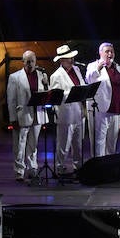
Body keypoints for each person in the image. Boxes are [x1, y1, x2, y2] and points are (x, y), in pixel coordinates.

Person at [6, 50, 48, 181]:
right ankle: (19, 171)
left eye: (32, 61)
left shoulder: (41, 75)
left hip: (38, 113)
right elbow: (11, 100)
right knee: (20, 144)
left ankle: (32, 168)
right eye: (28, 61)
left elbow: (46, 94)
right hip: (22, 115)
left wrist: (47, 83)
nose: (30, 64)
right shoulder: (15, 77)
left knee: (33, 143)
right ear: (23, 62)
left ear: (36, 62)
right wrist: (13, 118)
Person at [85, 42, 120, 157]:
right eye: (107, 51)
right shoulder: (93, 65)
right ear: (100, 53)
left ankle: (110, 166)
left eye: (112, 51)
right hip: (101, 109)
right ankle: (99, 167)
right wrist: (98, 68)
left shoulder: (118, 67)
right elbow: (89, 80)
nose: (110, 54)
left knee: (112, 141)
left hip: (117, 109)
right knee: (99, 141)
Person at [48, 44, 86, 176]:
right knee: (64, 144)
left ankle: (78, 166)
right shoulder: (56, 76)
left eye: (71, 58)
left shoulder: (76, 69)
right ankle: (60, 167)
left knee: (78, 143)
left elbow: (81, 84)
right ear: (61, 60)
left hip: (78, 112)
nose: (71, 60)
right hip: (65, 114)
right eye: (68, 58)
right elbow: (55, 95)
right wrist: (71, 93)